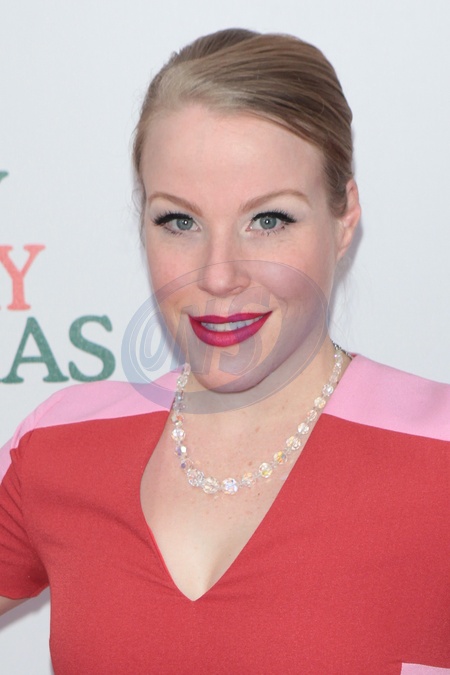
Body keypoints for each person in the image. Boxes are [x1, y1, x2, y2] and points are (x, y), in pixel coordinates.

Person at [0, 28, 449, 675]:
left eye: (268, 220)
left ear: (344, 216)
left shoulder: (438, 458)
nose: (217, 275)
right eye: (179, 221)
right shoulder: (60, 445)